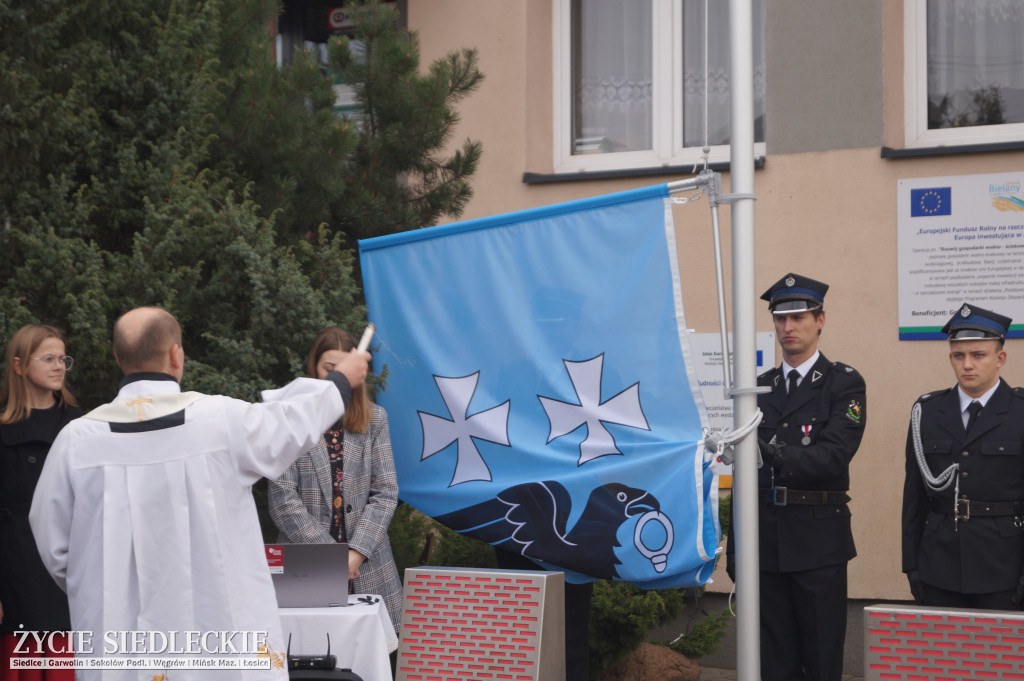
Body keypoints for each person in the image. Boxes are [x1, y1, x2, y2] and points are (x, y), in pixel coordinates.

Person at [28, 307, 369, 678]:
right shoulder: (219, 422)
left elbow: (53, 542)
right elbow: (294, 422)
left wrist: (101, 583)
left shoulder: (77, 442)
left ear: (117, 358)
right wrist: (340, 380)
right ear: (176, 355)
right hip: (215, 627)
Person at [726, 273, 866, 681]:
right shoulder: (758, 388)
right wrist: (737, 549)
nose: (788, 328)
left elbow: (834, 455)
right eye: (780, 319)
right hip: (765, 540)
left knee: (821, 658)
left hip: (818, 541)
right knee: (773, 660)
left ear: (820, 320)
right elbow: (744, 476)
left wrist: (775, 453)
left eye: (799, 318)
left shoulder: (843, 383)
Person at [269, 327, 403, 633]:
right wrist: (331, 559)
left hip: (368, 567)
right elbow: (282, 501)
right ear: (314, 367)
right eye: (329, 368)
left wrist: (356, 553)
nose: (337, 375)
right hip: (304, 567)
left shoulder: (375, 419)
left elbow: (385, 493)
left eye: (344, 368)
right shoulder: (288, 416)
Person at [902, 302, 1024, 610]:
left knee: (1001, 656)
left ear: (1000, 358)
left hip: (1004, 565)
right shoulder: (927, 412)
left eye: (978, 355)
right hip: (939, 562)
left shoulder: (1020, 412)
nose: (967, 364)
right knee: (941, 656)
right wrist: (911, 563)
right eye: (959, 355)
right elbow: (914, 495)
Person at [1, 325, 81, 680]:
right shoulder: (2, 429)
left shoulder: (83, 427)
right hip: (15, 576)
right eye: (48, 358)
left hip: (72, 574)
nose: (59, 366)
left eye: (63, 358)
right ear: (19, 366)